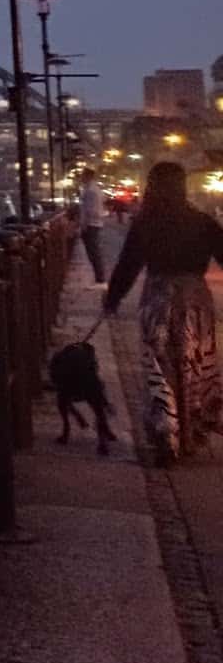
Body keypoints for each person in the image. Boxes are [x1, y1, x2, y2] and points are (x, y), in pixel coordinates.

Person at [105, 162, 223, 462]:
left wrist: (113, 298)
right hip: (195, 300)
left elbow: (128, 264)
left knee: (160, 366)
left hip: (158, 298)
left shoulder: (146, 222)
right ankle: (192, 429)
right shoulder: (202, 221)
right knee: (193, 364)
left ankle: (165, 431)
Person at [77, 166, 108, 284]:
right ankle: (99, 277)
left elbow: (89, 210)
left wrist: (83, 225)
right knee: (94, 251)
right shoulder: (94, 189)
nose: (81, 177)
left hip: (91, 225)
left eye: (83, 175)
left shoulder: (90, 191)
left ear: (87, 176)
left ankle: (100, 278)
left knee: (93, 252)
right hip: (93, 224)